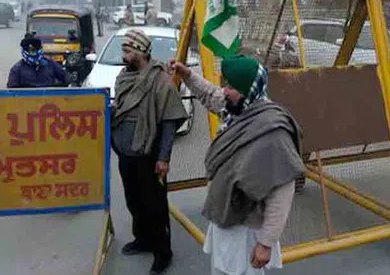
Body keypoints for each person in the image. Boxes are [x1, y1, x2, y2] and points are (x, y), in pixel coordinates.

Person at [170, 55, 304, 275]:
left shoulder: (272, 133)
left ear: (248, 89)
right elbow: (210, 94)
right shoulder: (240, 109)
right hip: (227, 218)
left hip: (247, 229)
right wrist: (187, 75)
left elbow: (282, 192)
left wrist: (265, 243)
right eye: (225, 84)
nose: (224, 90)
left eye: (231, 86)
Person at [112, 29, 188, 275]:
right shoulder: (124, 76)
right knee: (134, 202)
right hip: (126, 154)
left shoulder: (160, 80)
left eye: (128, 50)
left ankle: (162, 253)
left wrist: (164, 158)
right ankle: (142, 239)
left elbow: (168, 121)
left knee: (154, 206)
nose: (124, 54)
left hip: (150, 155)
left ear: (141, 52)